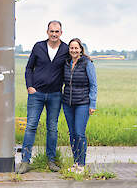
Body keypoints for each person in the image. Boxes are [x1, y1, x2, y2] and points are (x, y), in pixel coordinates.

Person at [17, 20, 69, 174]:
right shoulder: (38, 46)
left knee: (52, 128)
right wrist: (29, 86)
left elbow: (74, 64)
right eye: (51, 31)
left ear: (61, 33)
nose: (54, 34)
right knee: (31, 126)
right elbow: (28, 68)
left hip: (55, 95)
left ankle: (51, 161)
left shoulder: (66, 49)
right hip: (36, 94)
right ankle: (25, 161)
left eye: (57, 31)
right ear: (47, 32)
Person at [62, 38, 97, 173]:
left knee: (79, 133)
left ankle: (81, 165)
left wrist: (92, 104)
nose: (74, 50)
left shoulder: (87, 63)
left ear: (81, 49)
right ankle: (75, 163)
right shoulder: (66, 63)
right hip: (67, 104)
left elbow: (93, 85)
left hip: (83, 103)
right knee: (72, 134)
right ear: (69, 49)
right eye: (71, 48)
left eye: (76, 48)